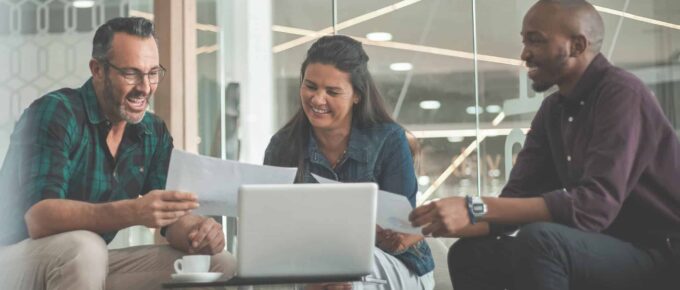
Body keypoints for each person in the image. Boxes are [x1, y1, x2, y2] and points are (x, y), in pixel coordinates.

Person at [408, 1, 680, 289]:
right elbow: (515, 199)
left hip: (661, 253)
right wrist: (429, 226)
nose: (525, 54)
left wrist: (476, 207)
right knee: (470, 253)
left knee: (541, 241)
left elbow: (592, 207)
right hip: (603, 246)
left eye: (535, 41)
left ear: (577, 45)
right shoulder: (554, 110)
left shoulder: (622, 94)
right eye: (525, 42)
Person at [0, 17, 236, 290]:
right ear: (97, 69)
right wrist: (134, 211)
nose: (145, 88)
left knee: (218, 262)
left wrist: (199, 231)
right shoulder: (55, 113)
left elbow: (172, 218)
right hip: (12, 258)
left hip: (86, 261)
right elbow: (39, 219)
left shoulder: (152, 131)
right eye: (131, 73)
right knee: (86, 247)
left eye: (152, 73)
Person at [264, 35, 435, 290]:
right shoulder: (282, 145)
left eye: (332, 91)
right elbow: (270, 226)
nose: (317, 99)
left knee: (338, 273)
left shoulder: (388, 139)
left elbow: (401, 227)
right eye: (310, 86)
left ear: (356, 95)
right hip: (311, 263)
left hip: (394, 261)